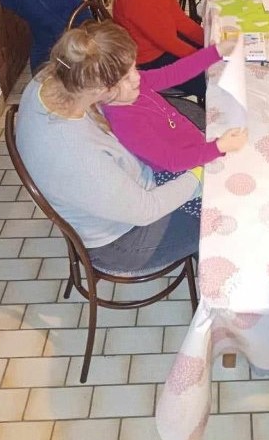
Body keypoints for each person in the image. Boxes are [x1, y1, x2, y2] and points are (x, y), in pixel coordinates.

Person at [14, 22, 203, 275]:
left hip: (123, 189)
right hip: (122, 241)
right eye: (126, 77)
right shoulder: (78, 154)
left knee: (195, 125)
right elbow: (146, 210)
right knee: (221, 213)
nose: (138, 77)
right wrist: (199, 175)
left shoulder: (53, 77)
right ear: (99, 88)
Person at [99, 36, 248, 174]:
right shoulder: (127, 124)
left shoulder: (134, 86)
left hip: (194, 144)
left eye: (134, 68)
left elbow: (173, 73)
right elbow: (173, 161)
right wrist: (218, 147)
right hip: (182, 170)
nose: (137, 77)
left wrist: (216, 51)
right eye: (126, 77)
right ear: (103, 90)